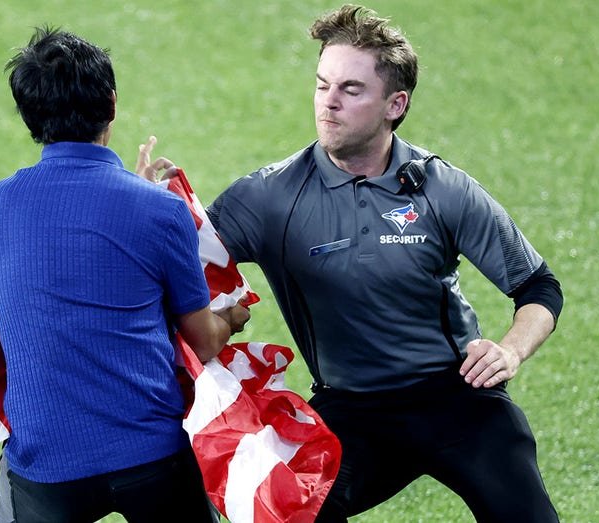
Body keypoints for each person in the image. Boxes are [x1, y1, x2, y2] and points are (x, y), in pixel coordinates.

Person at [182, 5, 563, 522]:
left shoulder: (442, 189)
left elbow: (539, 287)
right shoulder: (270, 198)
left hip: (457, 397)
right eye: (322, 85)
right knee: (287, 510)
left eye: (351, 90)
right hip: (352, 409)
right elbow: (182, 253)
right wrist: (150, 205)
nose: (329, 102)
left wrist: (510, 351)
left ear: (394, 104)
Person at [0, 27, 248, 522]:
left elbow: (66, 263)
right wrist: (232, 316)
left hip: (46, 468)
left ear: (28, 115)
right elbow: (203, 341)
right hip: (152, 458)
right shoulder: (161, 212)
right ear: (111, 104)